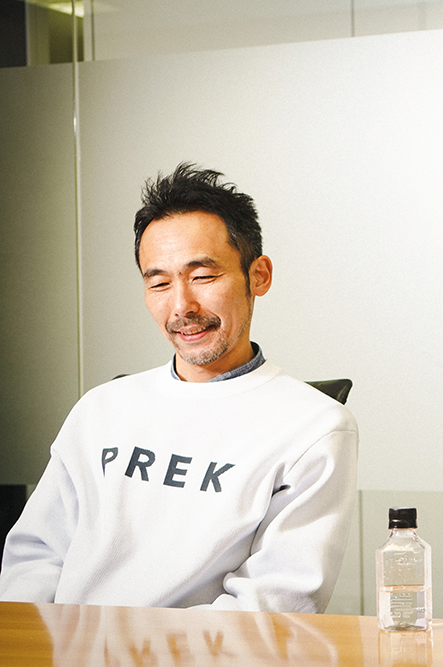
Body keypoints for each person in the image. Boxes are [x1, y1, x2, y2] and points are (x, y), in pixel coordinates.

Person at [0, 163, 358, 613]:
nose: (181, 306)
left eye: (203, 277)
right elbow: (34, 557)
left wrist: (129, 648)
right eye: (159, 283)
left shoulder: (315, 427)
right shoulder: (102, 408)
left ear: (259, 275)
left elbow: (274, 602)